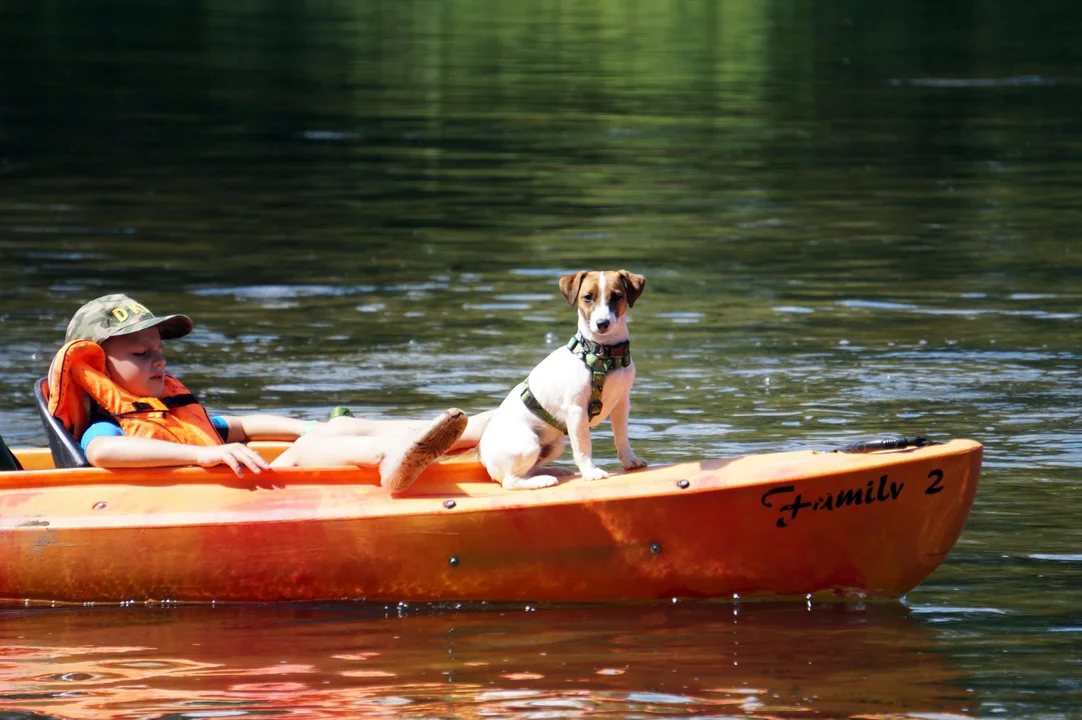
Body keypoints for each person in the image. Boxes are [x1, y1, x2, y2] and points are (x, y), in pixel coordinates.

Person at [50, 294, 491, 491]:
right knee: (303, 456)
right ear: (97, 367)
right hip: (209, 500)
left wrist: (317, 428)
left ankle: (473, 432)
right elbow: (103, 453)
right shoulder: (106, 427)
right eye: (141, 353)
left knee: (332, 431)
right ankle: (393, 457)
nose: (159, 361)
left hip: (223, 488)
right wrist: (203, 456)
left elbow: (243, 425)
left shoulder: (169, 414)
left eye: (160, 350)